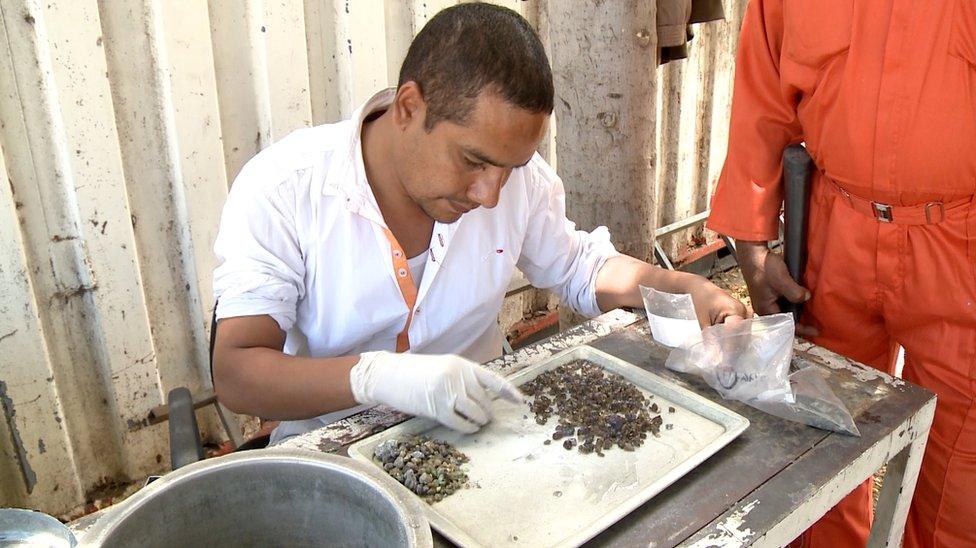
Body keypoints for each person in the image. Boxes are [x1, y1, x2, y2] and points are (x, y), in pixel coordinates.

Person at [212, 2, 747, 446]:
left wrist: (684, 288)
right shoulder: (285, 188)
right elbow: (237, 373)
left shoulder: (521, 182)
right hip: (336, 444)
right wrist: (375, 377)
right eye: (473, 161)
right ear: (408, 108)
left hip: (487, 433)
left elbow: (580, 267)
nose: (490, 194)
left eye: (508, 170)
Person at [708, 1, 976, 547]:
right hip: (835, 232)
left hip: (962, 246)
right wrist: (752, 240)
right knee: (819, 442)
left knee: (961, 476)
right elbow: (764, 92)